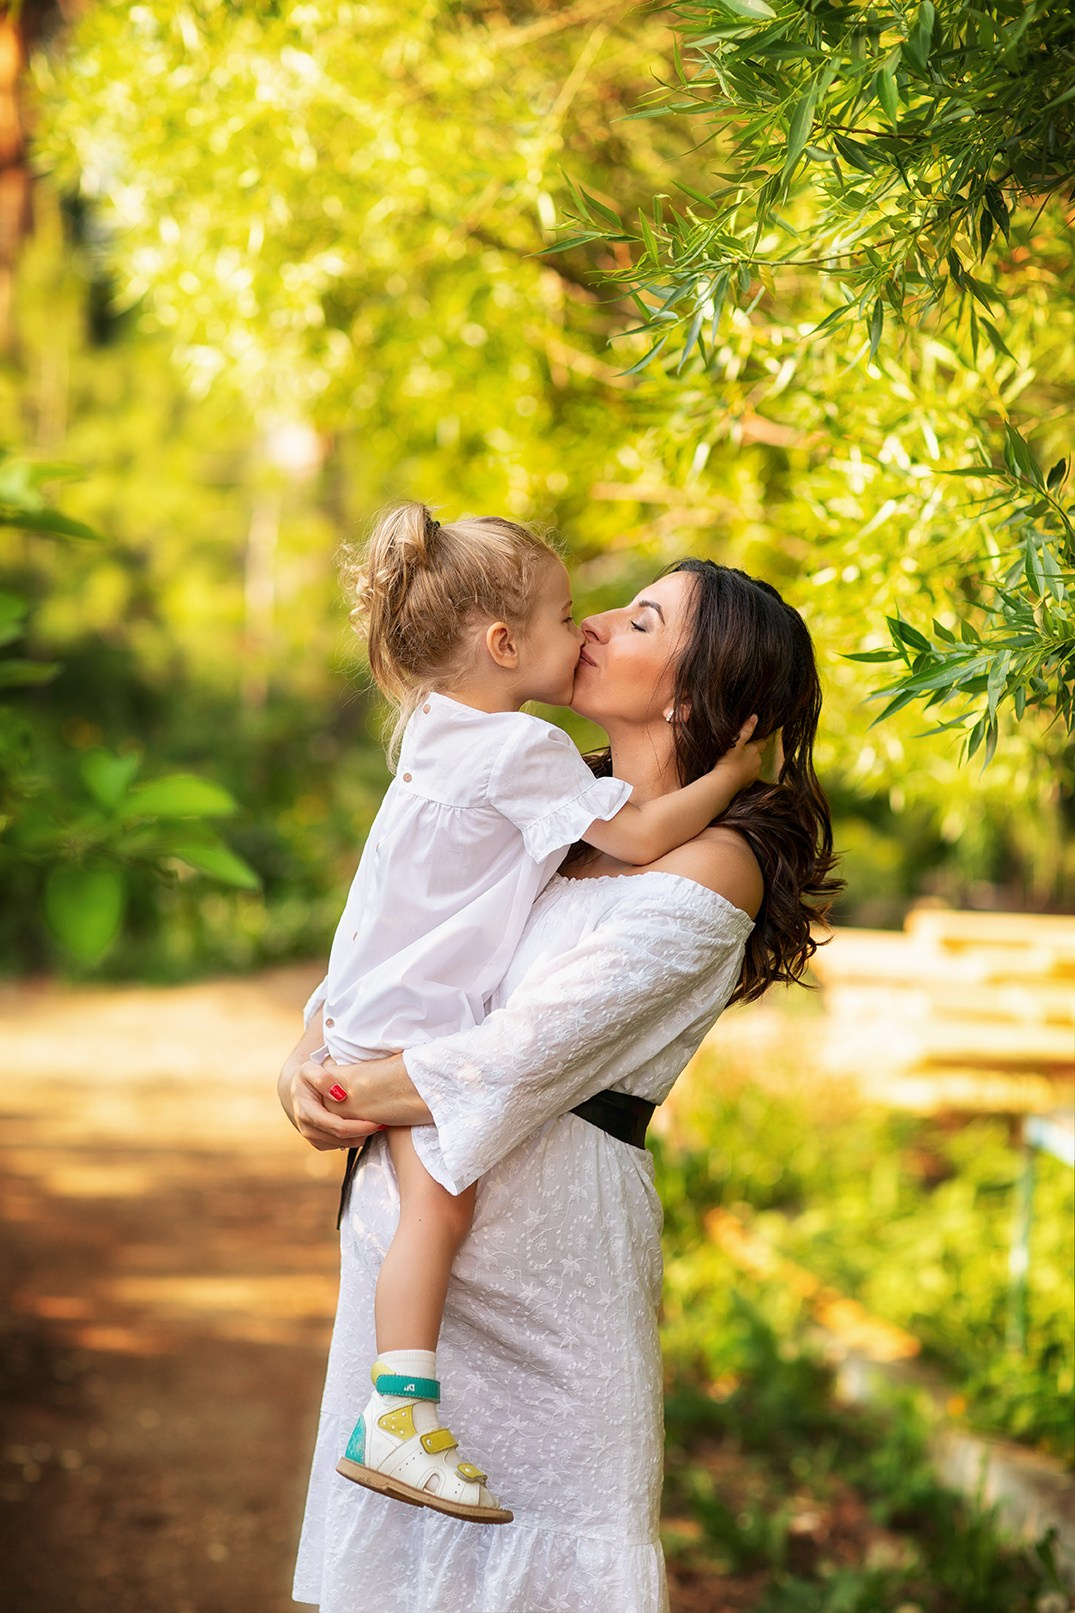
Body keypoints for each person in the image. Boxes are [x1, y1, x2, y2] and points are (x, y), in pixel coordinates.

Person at [279, 558, 840, 1613]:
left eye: (638, 618)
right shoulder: (546, 803)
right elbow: (398, 935)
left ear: (691, 687)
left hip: (550, 1296)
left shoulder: (714, 863)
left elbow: (519, 1054)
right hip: (418, 1297)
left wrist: (349, 1088)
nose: (587, 625)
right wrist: (305, 1052)